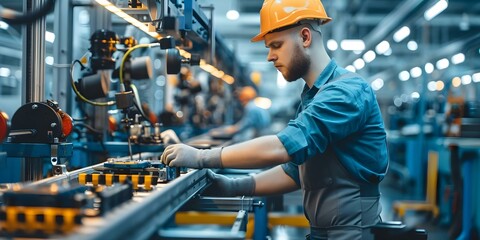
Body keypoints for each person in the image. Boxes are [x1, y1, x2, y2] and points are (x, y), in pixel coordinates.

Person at [161, 0, 389, 239]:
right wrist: (233, 186)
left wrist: (202, 156)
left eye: (276, 45)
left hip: (353, 234)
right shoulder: (313, 97)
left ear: (305, 37)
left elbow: (284, 147)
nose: (270, 57)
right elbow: (295, 171)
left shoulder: (346, 92)